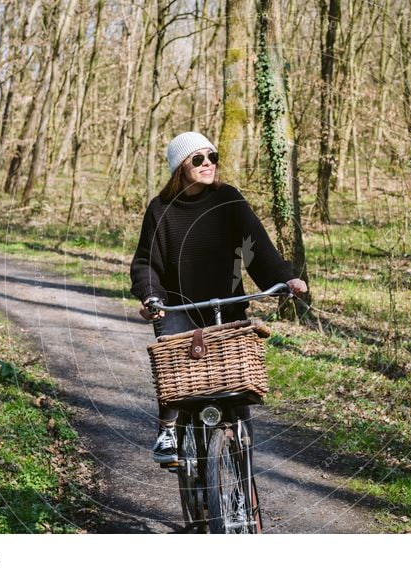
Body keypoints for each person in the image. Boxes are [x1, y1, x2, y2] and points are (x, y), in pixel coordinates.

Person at [130, 131, 307, 464]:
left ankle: (241, 488)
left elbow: (259, 248)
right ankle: (167, 430)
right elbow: (145, 262)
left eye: (212, 157)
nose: (207, 164)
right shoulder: (160, 209)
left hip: (226, 305)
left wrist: (286, 279)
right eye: (198, 159)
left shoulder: (228, 199)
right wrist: (150, 297)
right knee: (176, 372)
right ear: (180, 166)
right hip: (178, 306)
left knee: (237, 396)